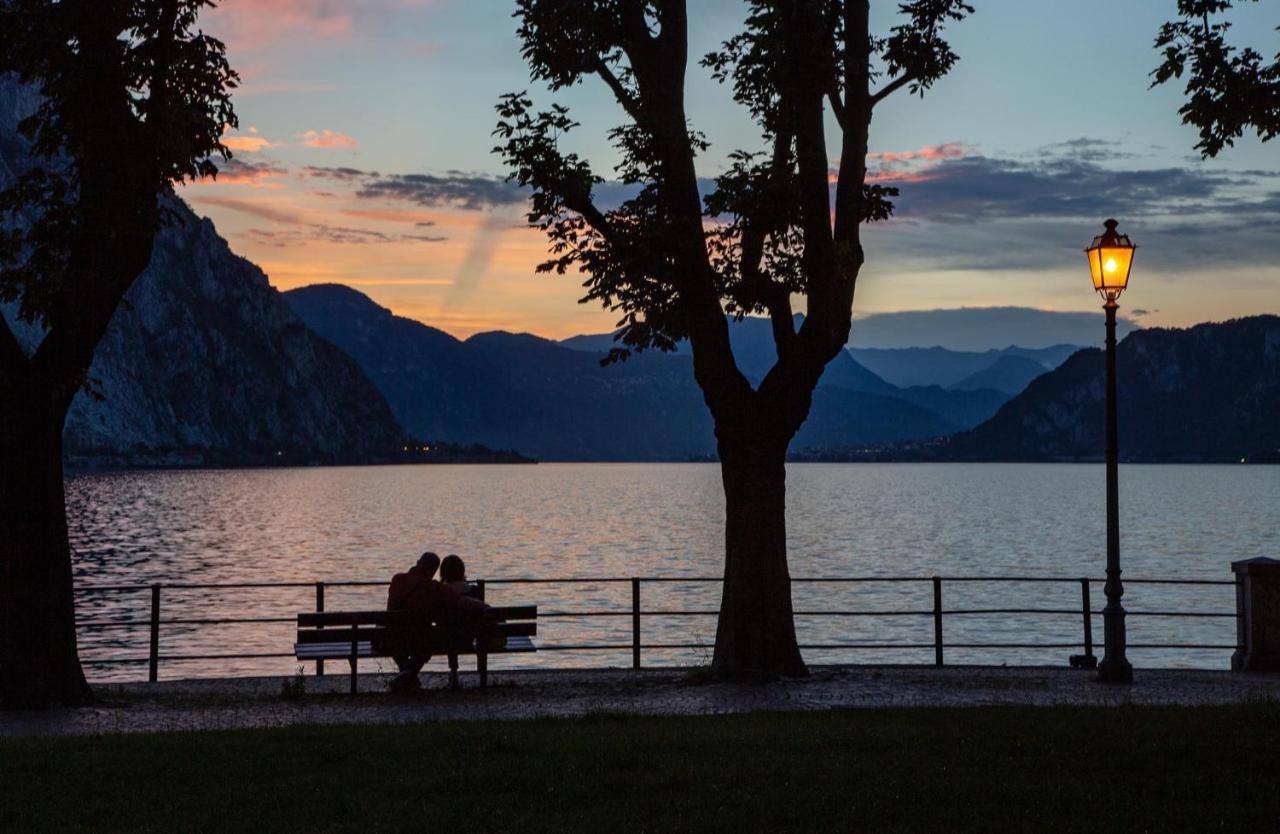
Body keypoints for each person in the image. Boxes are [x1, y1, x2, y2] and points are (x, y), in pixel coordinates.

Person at [385, 551, 485, 691]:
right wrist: (486, 607)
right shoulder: (433, 588)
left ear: (418, 562)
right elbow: (461, 601)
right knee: (428, 640)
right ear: (433, 571)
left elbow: (390, 609)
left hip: (390, 637)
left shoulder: (397, 580)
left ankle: (407, 675)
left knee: (420, 637)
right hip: (418, 639)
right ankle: (408, 674)